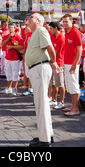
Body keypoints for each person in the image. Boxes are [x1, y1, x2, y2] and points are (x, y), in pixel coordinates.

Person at [24, 13, 59, 147]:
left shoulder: (41, 30)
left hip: (40, 68)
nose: (28, 20)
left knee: (41, 103)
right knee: (40, 103)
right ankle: (46, 134)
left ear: (38, 21)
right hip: (37, 68)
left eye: (31, 18)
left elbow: (51, 48)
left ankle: (45, 140)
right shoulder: (35, 32)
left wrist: (53, 61)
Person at [61, 14, 83, 116]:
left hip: (72, 63)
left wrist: (75, 64)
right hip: (67, 62)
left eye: (67, 21)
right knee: (70, 85)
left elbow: (80, 49)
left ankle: (75, 109)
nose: (65, 23)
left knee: (74, 86)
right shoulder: (67, 31)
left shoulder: (75, 32)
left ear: (72, 21)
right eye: (63, 21)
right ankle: (72, 105)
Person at [1, 22, 24, 96]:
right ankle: (9, 87)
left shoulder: (18, 37)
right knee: (8, 73)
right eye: (9, 27)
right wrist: (9, 37)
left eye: (12, 27)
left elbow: (21, 46)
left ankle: (15, 88)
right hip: (7, 58)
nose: (10, 29)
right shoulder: (6, 36)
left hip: (15, 58)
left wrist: (12, 47)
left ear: (14, 28)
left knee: (15, 73)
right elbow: (2, 44)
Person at [49, 22, 65, 109]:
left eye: (51, 28)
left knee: (60, 83)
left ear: (56, 28)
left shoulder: (61, 38)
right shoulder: (52, 36)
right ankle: (54, 100)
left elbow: (56, 52)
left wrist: (47, 53)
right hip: (51, 62)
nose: (50, 30)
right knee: (53, 83)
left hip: (58, 63)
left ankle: (62, 102)